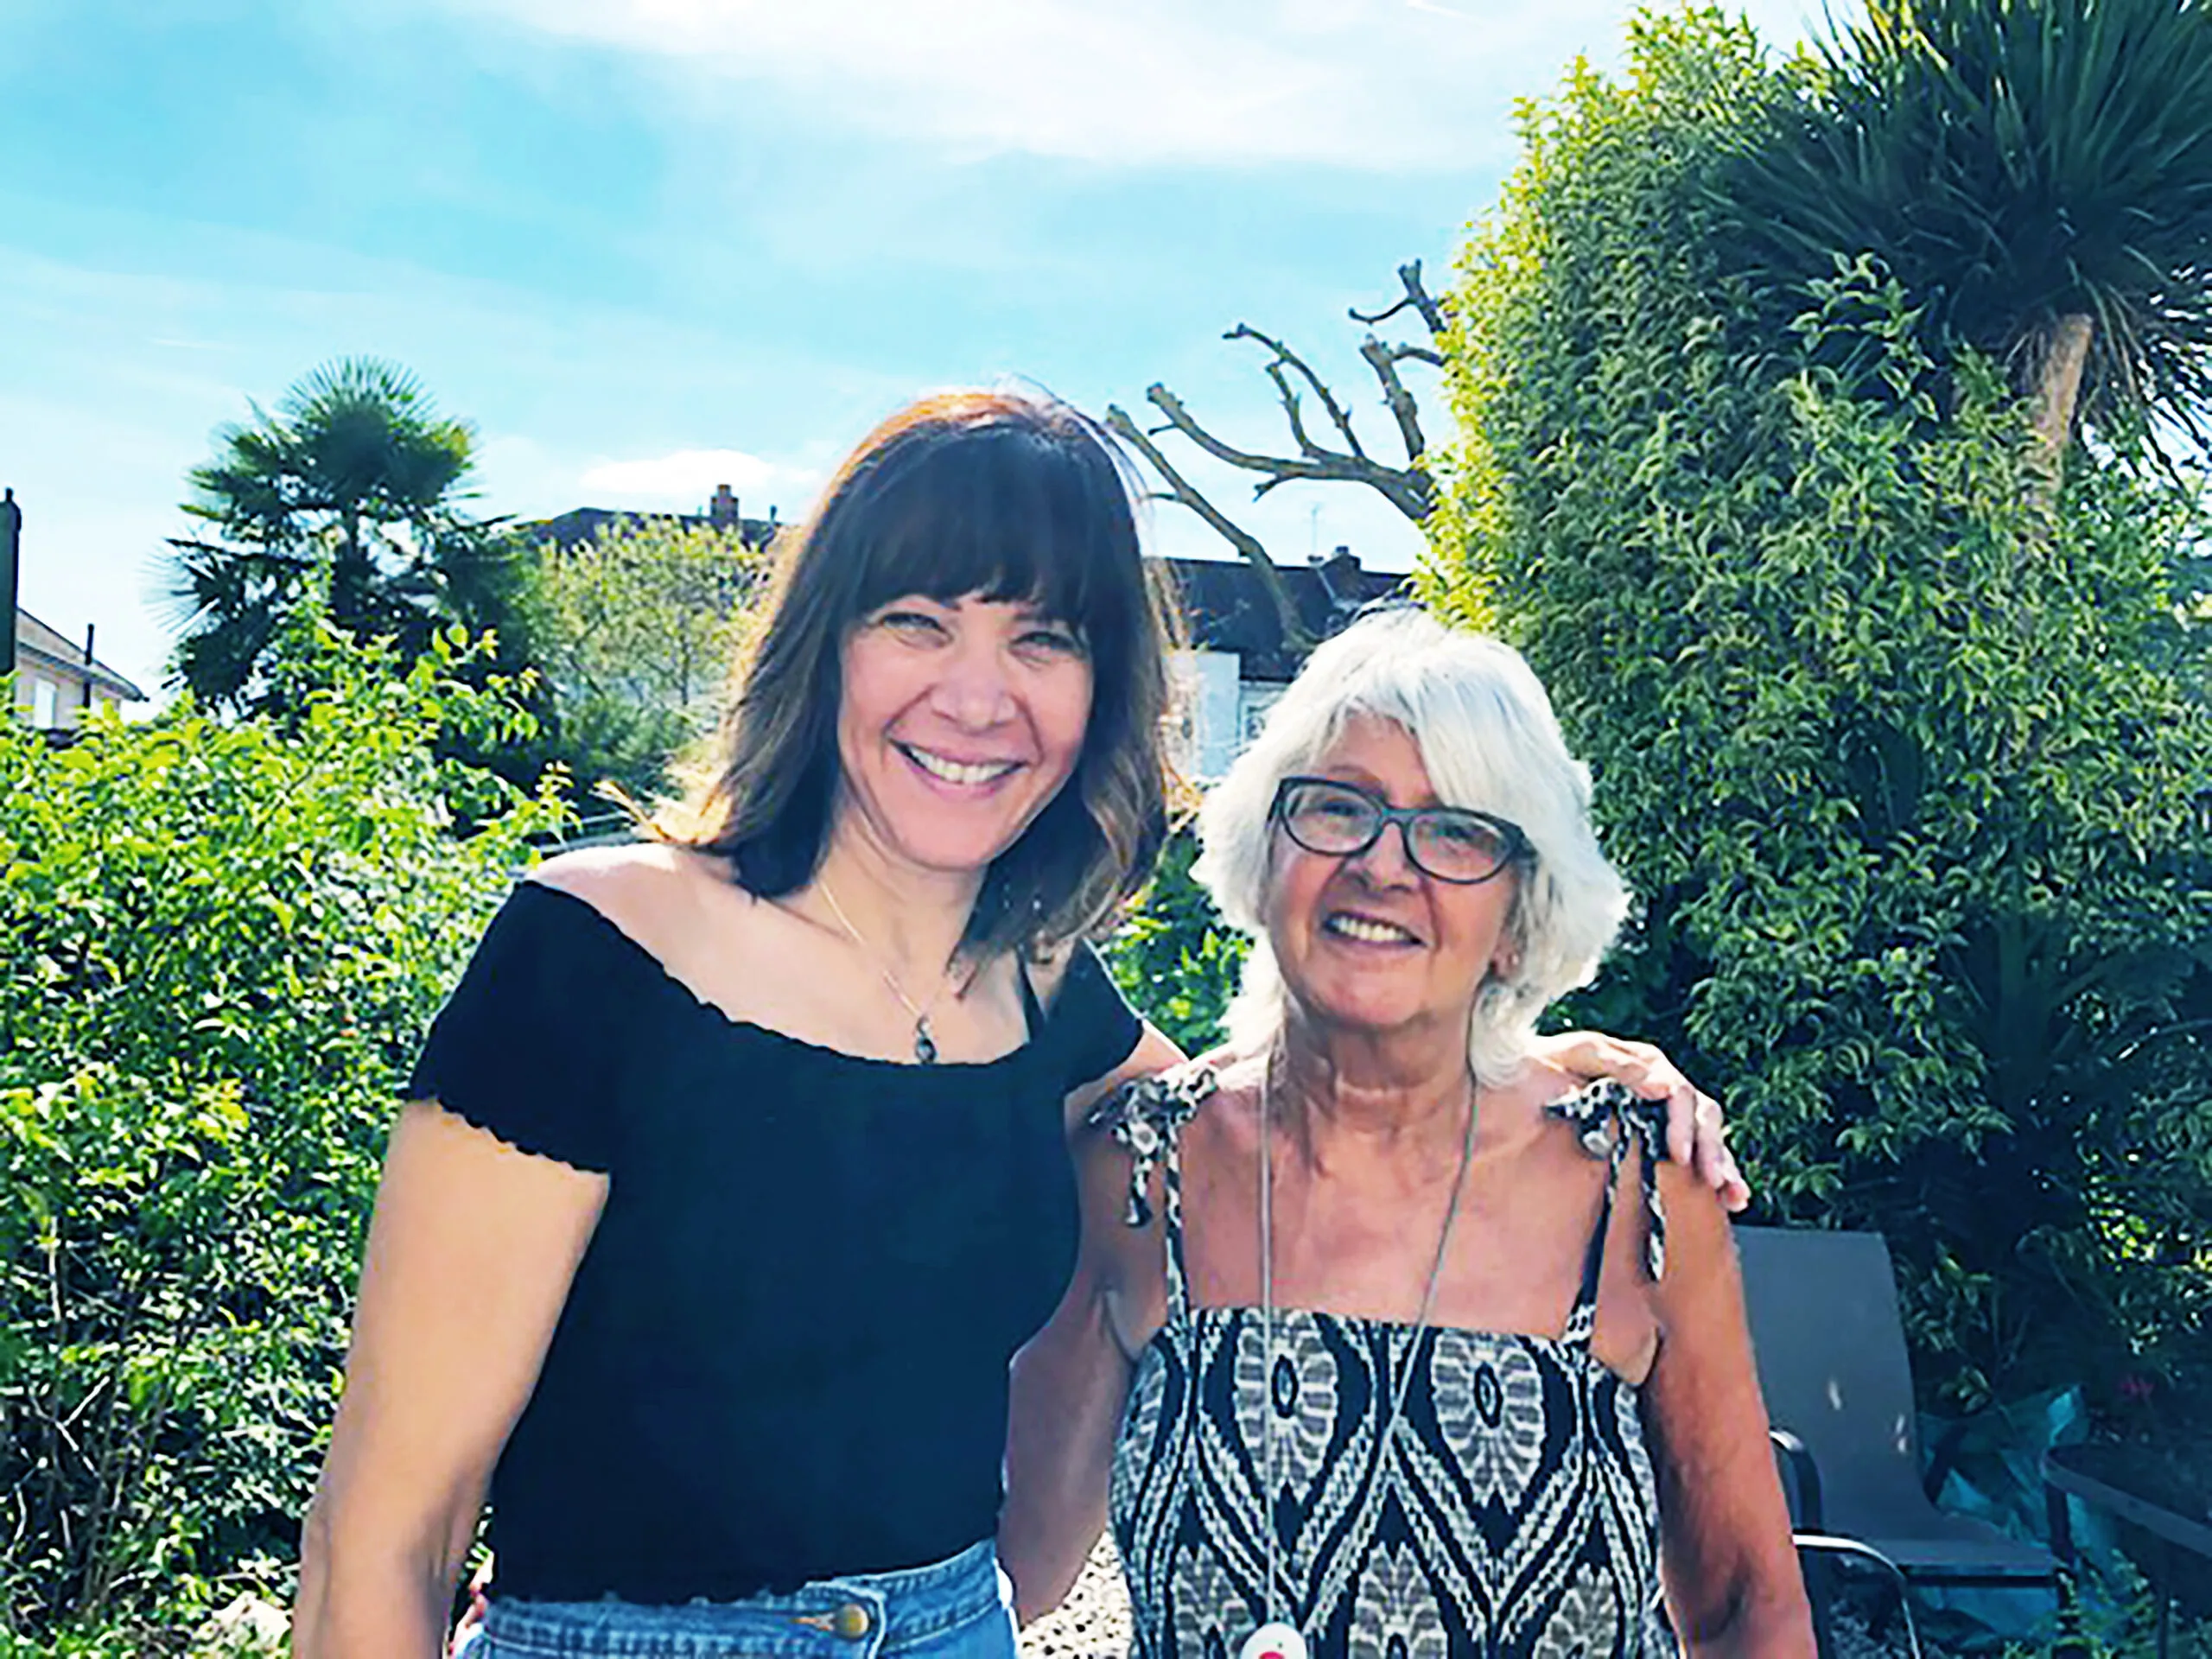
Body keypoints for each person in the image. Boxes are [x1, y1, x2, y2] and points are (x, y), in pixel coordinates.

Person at [293, 391, 1743, 1659]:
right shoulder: (601, 952)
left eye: (1041, 640)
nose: (977, 698)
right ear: (825, 648)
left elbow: (1288, 1106)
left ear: (1101, 694)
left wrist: (1536, 1062)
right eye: (917, 621)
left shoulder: (1045, 993)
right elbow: (387, 1532)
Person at [1001, 610, 1809, 1656]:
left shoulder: (1636, 1192)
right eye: (1338, 807)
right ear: (1265, 853)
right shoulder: (1141, 1174)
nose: (1383, 865)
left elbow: (1747, 1607)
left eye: (1456, 831)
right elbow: (1004, 1574)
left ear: (1519, 920)